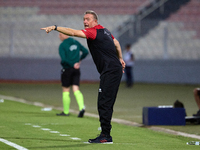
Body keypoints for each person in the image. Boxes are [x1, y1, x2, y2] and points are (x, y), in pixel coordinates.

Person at [41, 10, 125, 144]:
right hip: (113, 69)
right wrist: (120, 58)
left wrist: (55, 27)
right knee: (105, 102)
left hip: (110, 70)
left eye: (88, 19)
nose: (85, 21)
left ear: (95, 21)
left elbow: (73, 32)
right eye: (84, 19)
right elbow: (117, 43)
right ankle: (105, 134)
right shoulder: (105, 31)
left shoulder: (93, 32)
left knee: (104, 103)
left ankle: (105, 135)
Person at [57, 33, 88, 118]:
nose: (59, 36)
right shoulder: (76, 42)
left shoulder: (62, 45)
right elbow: (85, 51)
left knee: (66, 90)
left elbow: (63, 59)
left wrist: (72, 64)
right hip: (76, 69)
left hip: (67, 69)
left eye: (60, 34)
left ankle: (66, 111)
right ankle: (81, 107)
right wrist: (78, 61)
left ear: (64, 35)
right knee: (76, 89)